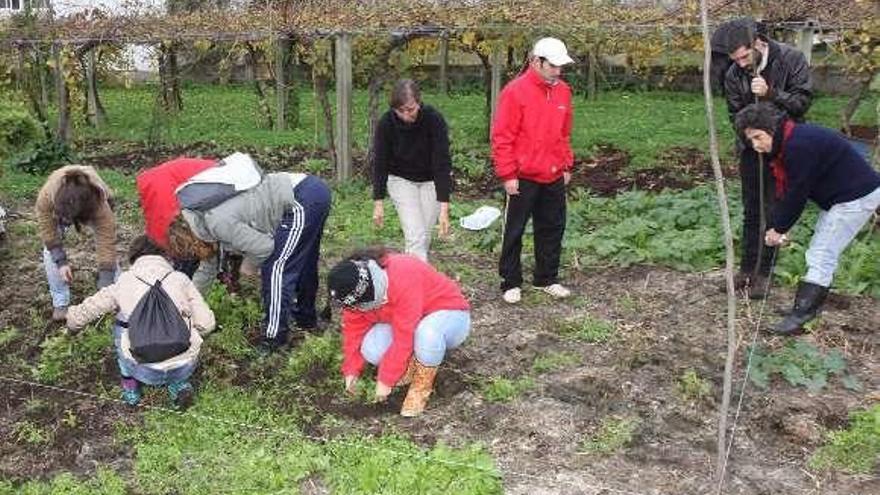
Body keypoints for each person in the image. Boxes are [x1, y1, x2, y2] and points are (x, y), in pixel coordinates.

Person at [736, 102, 880, 335]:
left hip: (855, 197)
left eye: (758, 137)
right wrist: (779, 225)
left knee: (822, 252)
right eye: (750, 140)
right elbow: (790, 191)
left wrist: (779, 229)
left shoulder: (798, 146)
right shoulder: (791, 140)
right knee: (822, 250)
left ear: (771, 129)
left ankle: (802, 314)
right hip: (842, 197)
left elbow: (798, 193)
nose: (756, 146)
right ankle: (805, 308)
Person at [167, 171, 331, 354]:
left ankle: (274, 338)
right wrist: (187, 305)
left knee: (276, 268)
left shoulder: (217, 224)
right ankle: (305, 318)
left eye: (193, 253)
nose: (197, 258)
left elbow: (264, 248)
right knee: (302, 261)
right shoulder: (199, 220)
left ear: (194, 242)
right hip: (309, 190)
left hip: (299, 198)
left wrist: (249, 265)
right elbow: (207, 269)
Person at [715, 17, 813, 298]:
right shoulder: (734, 73)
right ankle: (746, 270)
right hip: (751, 149)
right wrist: (752, 136)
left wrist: (771, 94)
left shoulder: (791, 59)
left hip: (785, 148)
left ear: (758, 42)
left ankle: (764, 274)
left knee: (774, 209)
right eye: (736, 59)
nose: (742, 63)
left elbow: (802, 102)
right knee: (752, 209)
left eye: (745, 56)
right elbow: (735, 115)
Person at [66, 235, 215, 409]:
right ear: (166, 256)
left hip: (143, 369)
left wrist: (71, 322)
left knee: (122, 326)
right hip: (184, 364)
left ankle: (131, 389)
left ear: (133, 258)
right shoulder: (180, 279)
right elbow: (207, 323)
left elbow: (90, 309)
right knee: (186, 326)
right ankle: (179, 384)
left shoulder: (124, 281)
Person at [327, 248, 470, 417]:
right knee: (372, 348)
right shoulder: (352, 295)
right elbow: (353, 333)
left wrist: (386, 379)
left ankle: (421, 385)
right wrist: (351, 371)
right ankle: (411, 364)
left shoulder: (403, 274)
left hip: (449, 317)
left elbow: (404, 336)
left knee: (427, 334)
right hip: (409, 322)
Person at [491, 37, 575, 304]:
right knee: (514, 229)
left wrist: (566, 164)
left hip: (552, 173)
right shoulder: (515, 92)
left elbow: (564, 133)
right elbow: (502, 136)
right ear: (536, 62)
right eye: (553, 66)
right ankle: (510, 281)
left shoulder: (563, 91)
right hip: (522, 176)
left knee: (552, 227)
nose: (558, 72)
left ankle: (546, 278)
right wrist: (508, 174)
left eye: (561, 66)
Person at [371, 79, 453, 261]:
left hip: (430, 181)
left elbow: (442, 163)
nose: (406, 115)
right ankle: (417, 285)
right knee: (415, 235)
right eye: (401, 111)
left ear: (419, 102)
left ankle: (413, 274)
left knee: (424, 236)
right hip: (400, 180)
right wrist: (378, 201)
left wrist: (444, 207)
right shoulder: (386, 123)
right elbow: (380, 162)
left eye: (411, 109)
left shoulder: (434, 120)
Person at [35, 165, 118, 321]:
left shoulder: (100, 204)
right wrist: (60, 262)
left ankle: (114, 293)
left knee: (109, 257)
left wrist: (105, 282)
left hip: (91, 205)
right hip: (59, 207)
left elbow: (106, 242)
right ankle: (60, 303)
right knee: (49, 251)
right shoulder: (47, 197)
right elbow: (48, 231)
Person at [136, 156, 216, 277]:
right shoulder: (161, 181)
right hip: (212, 184)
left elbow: (165, 223)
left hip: (208, 187)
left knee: (183, 244)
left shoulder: (158, 183)